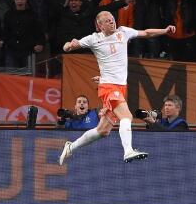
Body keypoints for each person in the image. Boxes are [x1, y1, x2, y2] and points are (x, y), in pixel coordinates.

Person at [59, 11, 176, 164]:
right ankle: (128, 151)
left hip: (120, 88)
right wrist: (68, 45)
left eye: (112, 19)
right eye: (107, 21)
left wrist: (165, 30)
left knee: (103, 131)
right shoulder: (94, 39)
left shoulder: (123, 32)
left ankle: (71, 147)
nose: (112, 22)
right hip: (108, 87)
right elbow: (67, 47)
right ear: (100, 25)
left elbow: (146, 33)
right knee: (126, 117)